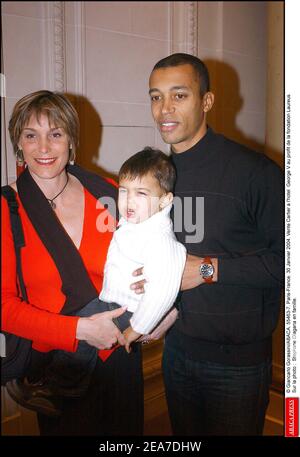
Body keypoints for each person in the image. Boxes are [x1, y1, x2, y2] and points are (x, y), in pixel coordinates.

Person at [144, 53, 284, 435]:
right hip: (175, 353)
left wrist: (208, 269)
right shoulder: (158, 176)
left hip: (236, 366)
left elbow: (287, 263)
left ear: (206, 101)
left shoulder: (255, 173)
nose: (164, 109)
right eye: (156, 97)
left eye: (179, 95)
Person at [1, 90, 144, 436]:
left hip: (120, 353)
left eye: (56, 133)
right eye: (31, 136)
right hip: (61, 367)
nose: (44, 148)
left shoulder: (106, 192)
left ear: (71, 140)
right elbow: (3, 306)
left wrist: (151, 302)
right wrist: (80, 330)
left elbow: (140, 258)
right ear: (18, 144)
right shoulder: (7, 209)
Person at [12, 147, 186, 404]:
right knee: (80, 330)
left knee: (80, 335)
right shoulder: (135, 221)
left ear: (165, 201)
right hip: (112, 299)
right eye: (124, 191)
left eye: (141, 193)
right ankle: (56, 381)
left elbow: (162, 295)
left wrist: (135, 330)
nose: (128, 200)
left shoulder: (160, 240)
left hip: (128, 309)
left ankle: (61, 383)